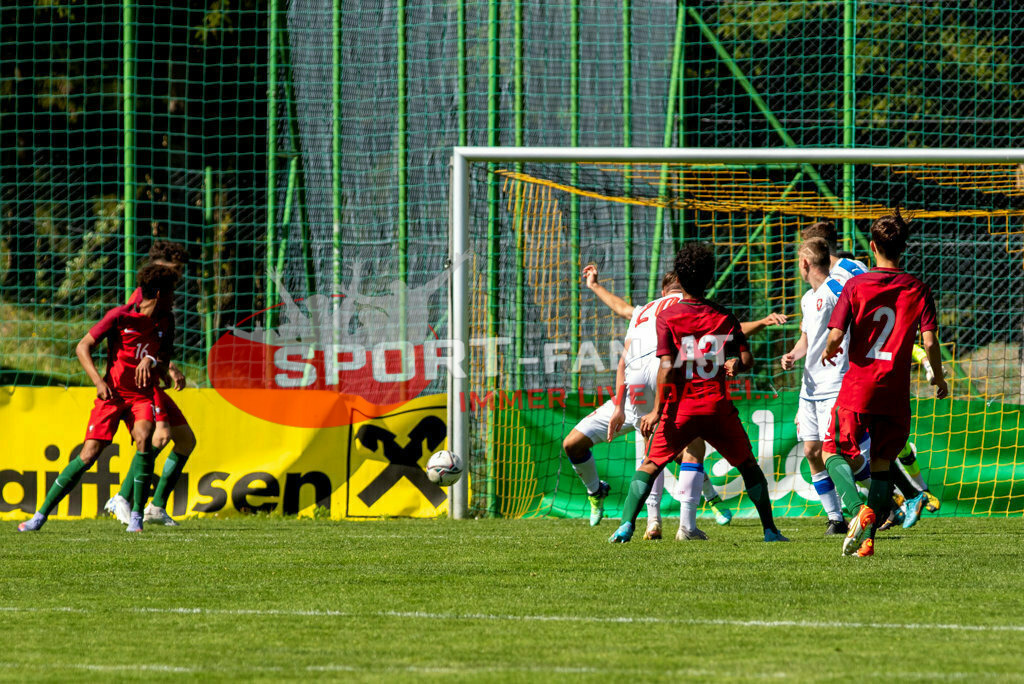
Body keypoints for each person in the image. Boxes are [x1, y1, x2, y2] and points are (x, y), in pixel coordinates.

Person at [569, 265, 785, 538]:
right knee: (723, 458)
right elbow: (734, 332)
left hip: (649, 389)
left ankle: (643, 522)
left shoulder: (655, 312)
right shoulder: (702, 311)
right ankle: (695, 521)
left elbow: (626, 316)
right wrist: (760, 327)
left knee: (652, 457)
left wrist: (594, 286)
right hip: (699, 398)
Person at [820, 209, 948, 557]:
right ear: (902, 248)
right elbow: (931, 343)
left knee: (830, 450)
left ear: (872, 247)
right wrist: (938, 376)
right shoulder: (918, 288)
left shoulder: (855, 285)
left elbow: (835, 335)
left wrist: (830, 351)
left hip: (859, 388)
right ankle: (869, 538)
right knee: (881, 464)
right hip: (894, 393)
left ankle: (859, 512)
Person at [18, 263, 181, 533]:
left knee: (145, 437)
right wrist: (98, 381)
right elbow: (83, 346)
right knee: (88, 454)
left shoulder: (166, 320)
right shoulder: (120, 316)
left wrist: (153, 361)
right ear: (161, 294)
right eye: (173, 293)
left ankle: (137, 517)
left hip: (141, 396)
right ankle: (40, 515)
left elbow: (163, 357)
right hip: (112, 396)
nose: (175, 298)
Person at [104, 241, 195, 527]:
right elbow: (137, 346)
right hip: (141, 383)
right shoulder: (142, 298)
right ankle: (122, 496)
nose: (177, 278)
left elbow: (156, 345)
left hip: (153, 375)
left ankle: (155, 507)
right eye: (174, 271)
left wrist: (169, 366)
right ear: (159, 268)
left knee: (186, 440)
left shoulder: (165, 302)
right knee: (160, 436)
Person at [780, 238, 849, 535]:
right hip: (808, 389)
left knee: (838, 452)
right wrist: (794, 354)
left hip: (834, 384)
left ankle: (879, 501)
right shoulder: (808, 298)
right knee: (811, 450)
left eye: (798, 262)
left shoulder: (839, 292)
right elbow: (807, 340)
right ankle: (836, 518)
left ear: (806, 263)